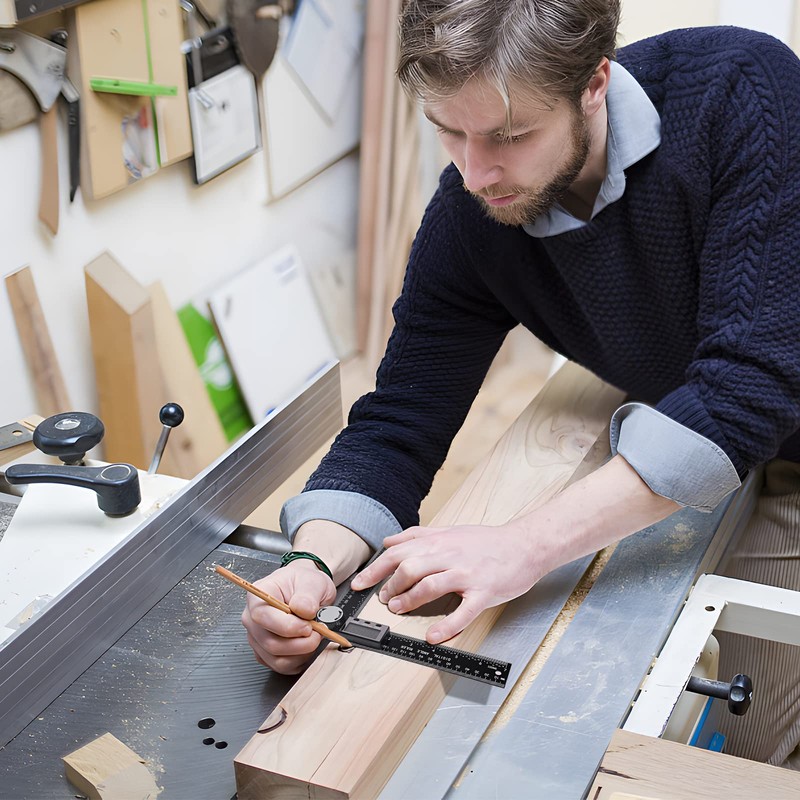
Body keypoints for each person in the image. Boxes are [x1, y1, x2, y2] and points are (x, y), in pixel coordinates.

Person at [242, 0, 800, 767]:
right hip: (728, 423)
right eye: (449, 131)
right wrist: (309, 566)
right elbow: (397, 422)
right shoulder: (472, 213)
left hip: (778, 421)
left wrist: (522, 546)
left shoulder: (741, 94)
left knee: (754, 751)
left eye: (509, 136)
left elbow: (747, 389)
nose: (475, 173)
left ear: (595, 83)